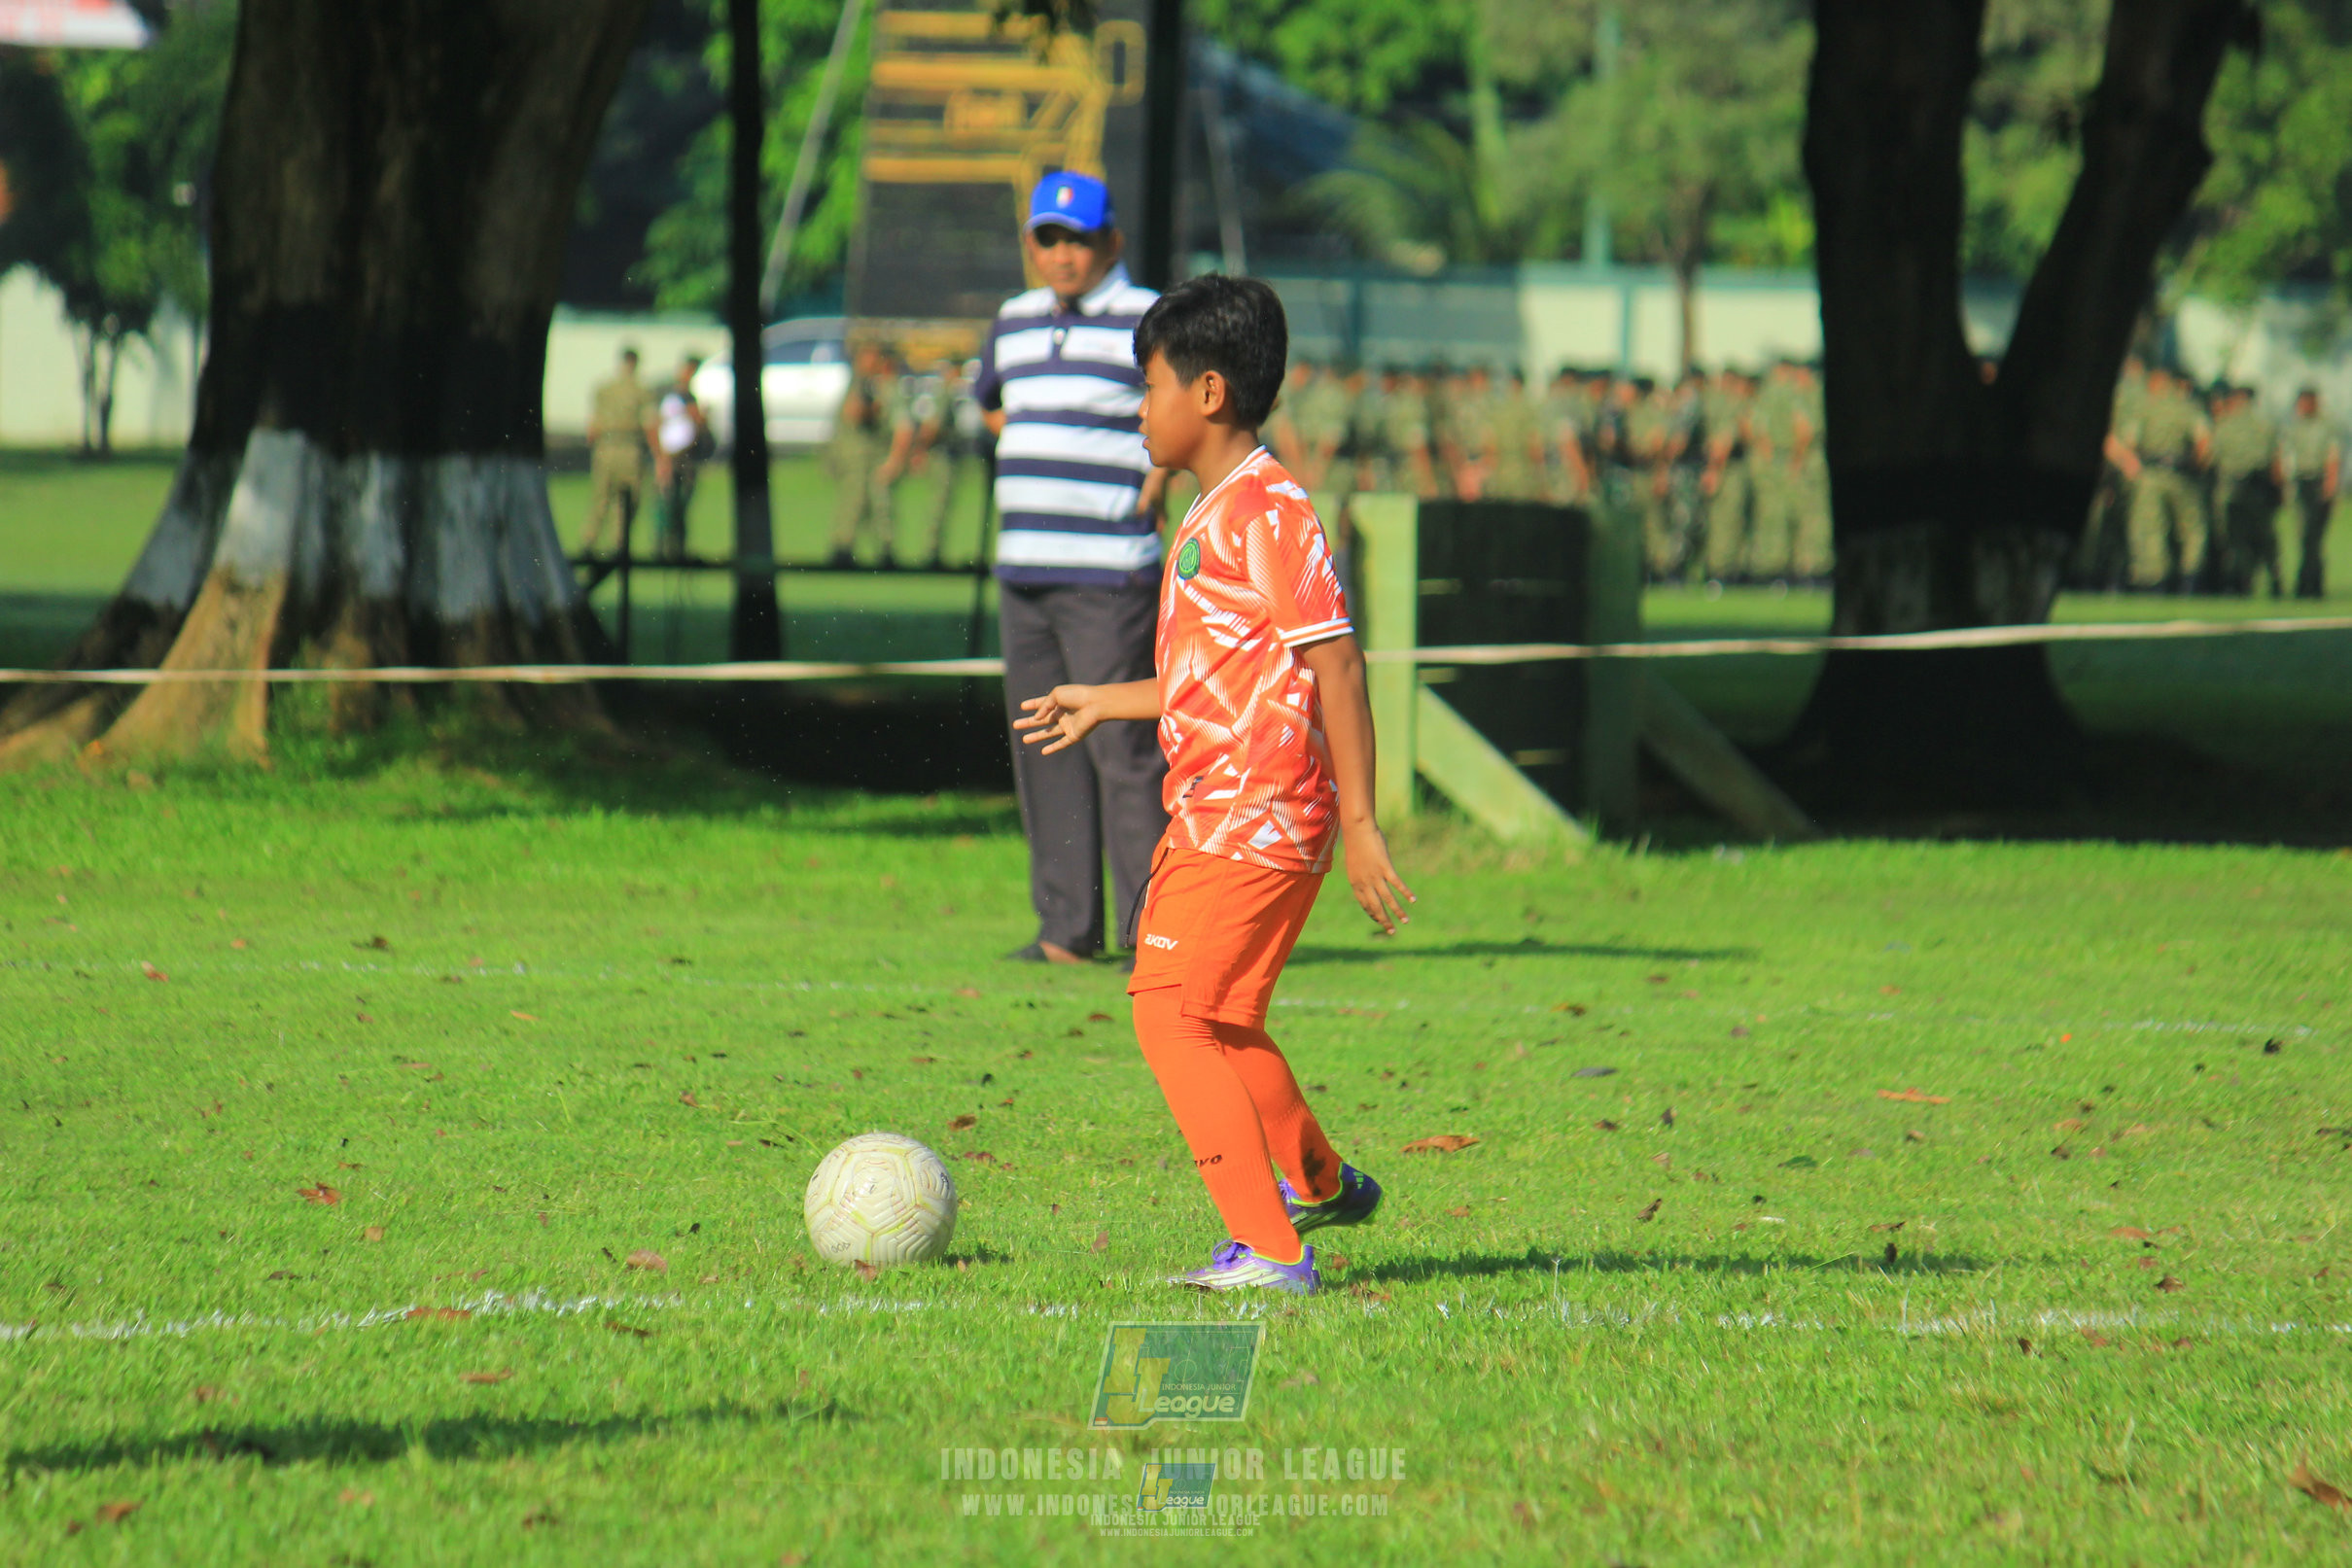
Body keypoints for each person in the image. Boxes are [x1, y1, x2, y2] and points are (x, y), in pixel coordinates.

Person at [1013, 273, 1413, 1294]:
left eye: (1147, 386)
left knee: (1165, 1009)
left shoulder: (1268, 511)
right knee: (1224, 1014)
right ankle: (1318, 1180)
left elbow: (1336, 662)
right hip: (1233, 808)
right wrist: (1107, 699)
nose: (1136, 409)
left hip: (1253, 814)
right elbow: (1222, 677)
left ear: (1208, 394)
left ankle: (1274, 1250)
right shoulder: (1217, 509)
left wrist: (1363, 823)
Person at [973, 170, 1171, 965]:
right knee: (1042, 744)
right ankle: (1067, 929)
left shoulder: (1146, 316)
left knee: (1124, 751)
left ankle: (1153, 932)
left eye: (1077, 239)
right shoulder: (1012, 320)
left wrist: (1156, 474)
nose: (1062, 254)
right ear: (1030, 245)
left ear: (1110, 242)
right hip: (1024, 568)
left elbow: (1188, 402)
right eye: (1047, 239)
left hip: (1109, 572)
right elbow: (989, 399)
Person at [2121, 365, 2210, 592]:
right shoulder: (2187, 406)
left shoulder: (2146, 407)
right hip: (2182, 474)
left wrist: (2135, 469)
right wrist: (2196, 467)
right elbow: (2204, 443)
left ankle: (2154, 579)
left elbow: (2130, 443)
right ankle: (2190, 577)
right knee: (2192, 528)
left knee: (2150, 527)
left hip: (2150, 474)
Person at [826, 342, 910, 570]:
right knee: (855, 503)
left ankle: (880, 551)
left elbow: (902, 426)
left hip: (870, 458)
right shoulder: (861, 384)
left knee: (877, 505)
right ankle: (846, 548)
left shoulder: (884, 387)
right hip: (857, 457)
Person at [2206, 383, 2283, 598]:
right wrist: (2279, 490)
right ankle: (2275, 581)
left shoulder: (2223, 425)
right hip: (2258, 489)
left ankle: (2240, 583)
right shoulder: (2264, 426)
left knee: (2236, 540)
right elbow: (2275, 462)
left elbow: (2210, 458)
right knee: (2265, 539)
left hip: (2231, 490)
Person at [584, 346, 655, 558]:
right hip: (629, 449)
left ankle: (589, 541)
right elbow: (649, 424)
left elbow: (592, 428)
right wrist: (659, 456)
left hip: (604, 449)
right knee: (627, 502)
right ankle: (619, 546)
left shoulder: (604, 389)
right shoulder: (641, 392)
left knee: (600, 499)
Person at [912, 357, 980, 570]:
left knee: (943, 506)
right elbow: (932, 426)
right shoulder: (945, 394)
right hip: (943, 458)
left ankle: (934, 551)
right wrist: (921, 451)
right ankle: (932, 552)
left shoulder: (950, 394)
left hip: (948, 456)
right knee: (939, 506)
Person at [2284, 387, 2340, 599]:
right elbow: (2288, 457)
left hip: (2318, 482)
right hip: (2301, 482)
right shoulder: (2294, 427)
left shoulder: (2326, 427)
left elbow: (2333, 457)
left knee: (2314, 536)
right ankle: (2306, 582)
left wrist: (2330, 486)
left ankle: (2312, 582)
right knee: (2304, 535)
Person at [652, 356, 708, 563]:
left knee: (681, 503)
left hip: (686, 456)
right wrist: (661, 458)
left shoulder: (689, 397)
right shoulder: (669, 396)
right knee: (666, 503)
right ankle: (661, 549)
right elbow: (655, 426)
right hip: (671, 457)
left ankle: (677, 549)